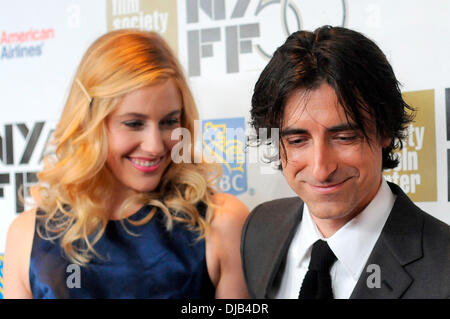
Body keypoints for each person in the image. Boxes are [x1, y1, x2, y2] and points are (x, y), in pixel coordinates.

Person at [3, 30, 250, 298]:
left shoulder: (221, 222)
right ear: (91, 123)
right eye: (133, 123)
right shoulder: (26, 237)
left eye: (169, 122)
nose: (155, 145)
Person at [242, 26, 450, 299]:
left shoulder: (443, 266)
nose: (321, 168)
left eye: (344, 137)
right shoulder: (258, 228)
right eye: (297, 141)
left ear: (385, 129)